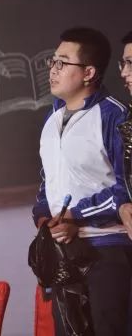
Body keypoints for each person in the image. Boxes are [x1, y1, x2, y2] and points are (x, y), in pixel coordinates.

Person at [31, 27, 132, 335]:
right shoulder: (51, 120)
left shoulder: (115, 116)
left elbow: (124, 189)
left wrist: (74, 215)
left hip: (108, 249)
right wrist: (45, 221)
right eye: (52, 61)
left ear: (89, 72)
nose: (53, 69)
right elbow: (46, 184)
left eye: (63, 62)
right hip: (64, 252)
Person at [117, 30, 132, 241]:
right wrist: (122, 207)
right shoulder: (125, 120)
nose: (124, 73)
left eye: (130, 63)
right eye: (123, 63)